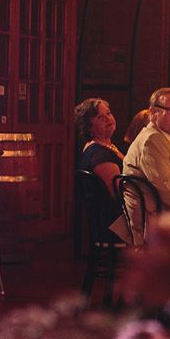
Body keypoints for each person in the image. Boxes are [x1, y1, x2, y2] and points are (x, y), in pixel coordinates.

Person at [125, 86, 170, 211]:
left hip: (163, 212)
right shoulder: (152, 140)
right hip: (155, 217)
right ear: (153, 112)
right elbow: (168, 190)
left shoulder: (159, 137)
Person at [73, 97, 124, 245]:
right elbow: (120, 194)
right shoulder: (99, 154)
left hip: (116, 218)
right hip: (114, 225)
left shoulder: (106, 146)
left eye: (108, 113)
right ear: (89, 127)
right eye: (100, 117)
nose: (108, 119)